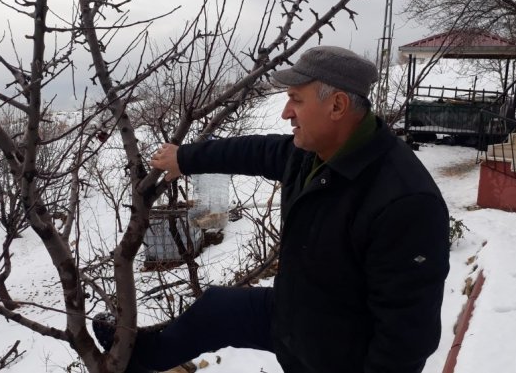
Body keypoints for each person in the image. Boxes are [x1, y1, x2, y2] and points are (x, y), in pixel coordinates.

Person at [93, 46, 450, 373]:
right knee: (217, 309)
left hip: (332, 353)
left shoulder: (404, 203)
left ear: (337, 106)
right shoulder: (314, 152)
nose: (285, 113)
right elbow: (257, 151)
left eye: (295, 99)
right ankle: (143, 356)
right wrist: (185, 158)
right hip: (299, 310)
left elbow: (405, 341)